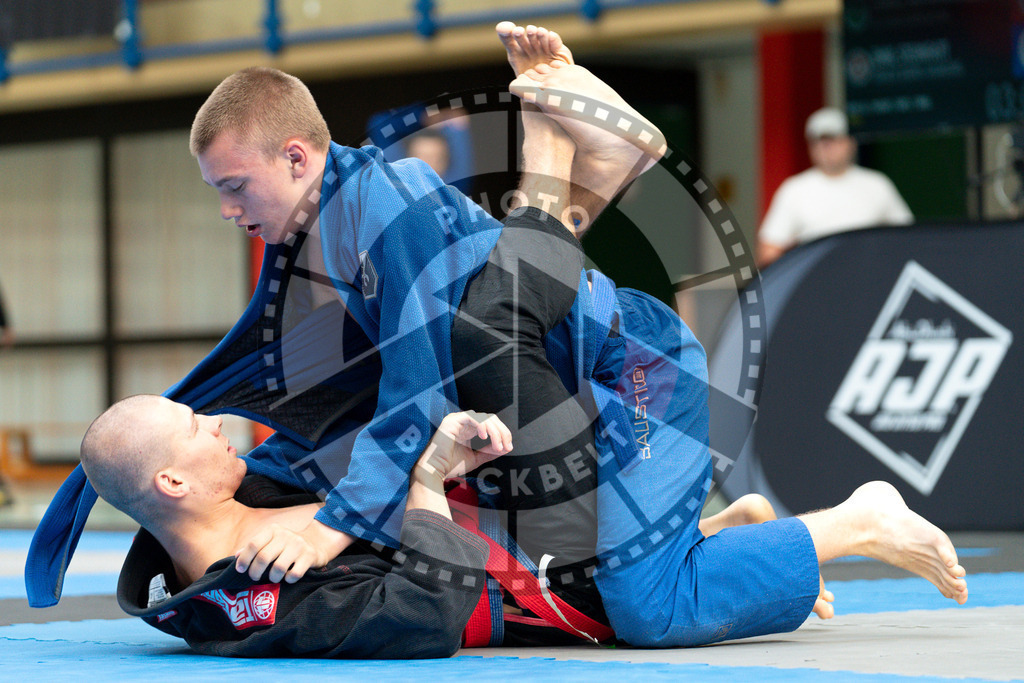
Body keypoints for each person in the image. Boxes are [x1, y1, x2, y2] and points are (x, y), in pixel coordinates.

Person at [756, 107, 914, 268]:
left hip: (869, 275)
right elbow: (769, 250)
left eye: (833, 141)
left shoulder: (877, 184)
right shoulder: (794, 189)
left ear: (850, 143)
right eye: (819, 142)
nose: (826, 148)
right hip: (815, 279)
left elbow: (906, 237)